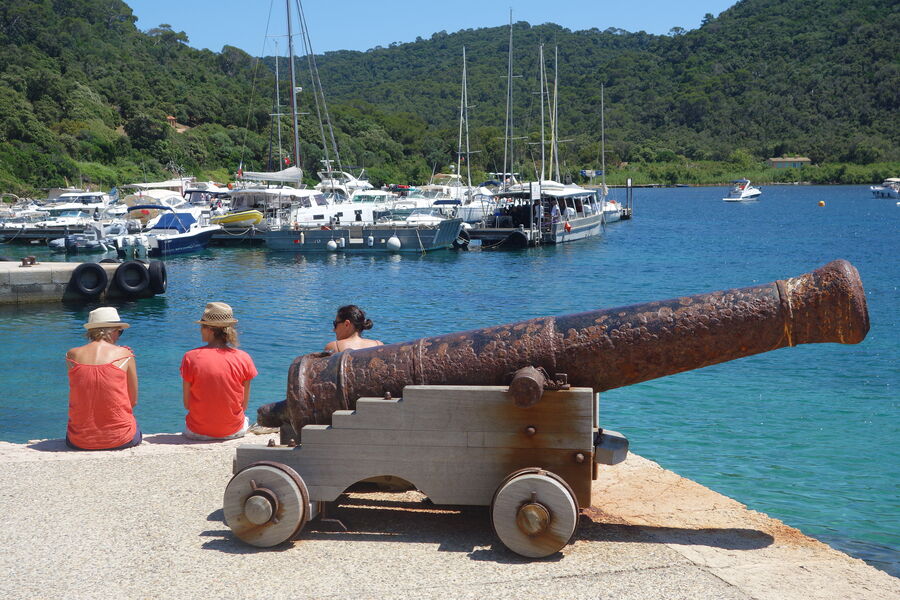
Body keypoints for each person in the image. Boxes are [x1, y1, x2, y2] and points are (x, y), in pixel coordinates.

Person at [65, 307, 141, 451]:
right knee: (132, 423)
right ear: (111, 331)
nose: (119, 336)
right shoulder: (125, 355)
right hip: (121, 439)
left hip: (78, 440)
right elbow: (133, 401)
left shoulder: (71, 355)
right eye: (120, 331)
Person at [181, 302, 257, 440]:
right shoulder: (244, 358)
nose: (200, 330)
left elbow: (187, 404)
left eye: (202, 326)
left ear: (209, 330)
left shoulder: (190, 357)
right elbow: (244, 405)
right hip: (233, 431)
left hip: (197, 431)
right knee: (245, 419)